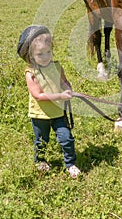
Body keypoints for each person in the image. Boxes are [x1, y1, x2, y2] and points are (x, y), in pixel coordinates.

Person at [17, 25, 81, 179]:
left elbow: (64, 81)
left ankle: (70, 164)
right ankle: (40, 160)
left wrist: (68, 89)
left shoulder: (57, 66)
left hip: (58, 112)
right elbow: (38, 95)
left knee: (66, 139)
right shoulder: (31, 73)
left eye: (48, 52)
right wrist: (60, 95)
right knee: (41, 141)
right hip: (40, 115)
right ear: (30, 55)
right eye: (40, 54)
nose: (46, 57)